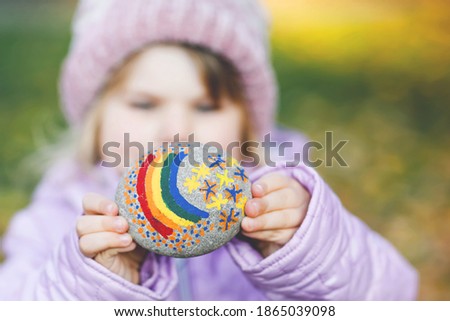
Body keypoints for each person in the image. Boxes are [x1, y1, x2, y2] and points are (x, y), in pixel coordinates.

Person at [0, 0, 418, 300]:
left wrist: (303, 250)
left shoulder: (282, 201)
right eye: (144, 104)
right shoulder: (58, 218)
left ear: (246, 123)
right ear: (97, 120)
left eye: (206, 106)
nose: (177, 131)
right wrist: (96, 286)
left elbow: (395, 296)